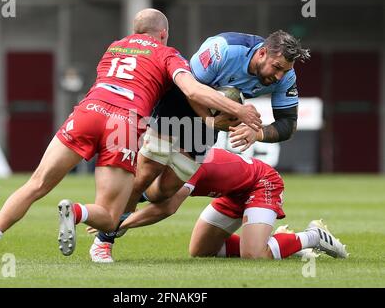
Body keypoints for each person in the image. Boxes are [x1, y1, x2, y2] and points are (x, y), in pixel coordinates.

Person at [0, 8, 261, 263]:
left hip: (89, 111)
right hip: (123, 124)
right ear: (163, 34)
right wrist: (234, 114)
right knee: (108, 212)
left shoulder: (114, 47)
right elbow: (193, 90)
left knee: (36, 183)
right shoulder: (168, 54)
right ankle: (78, 212)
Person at [89, 30, 310, 262]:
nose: (279, 76)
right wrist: (215, 118)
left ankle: (119, 210)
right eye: (276, 67)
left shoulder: (286, 76)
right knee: (144, 175)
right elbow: (190, 90)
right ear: (262, 52)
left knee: (165, 192)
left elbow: (288, 124)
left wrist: (258, 133)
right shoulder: (224, 48)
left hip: (210, 125)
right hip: (177, 107)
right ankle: (105, 240)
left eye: (284, 70)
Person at [117, 147, 349, 260]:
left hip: (261, 183)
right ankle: (277, 242)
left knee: (254, 256)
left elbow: (167, 207)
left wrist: (119, 224)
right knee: (201, 252)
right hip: (231, 193)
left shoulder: (186, 160)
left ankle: (313, 236)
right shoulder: (159, 159)